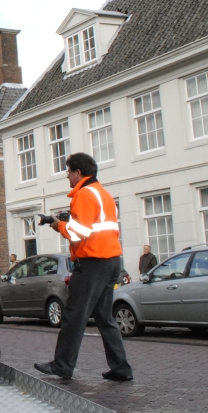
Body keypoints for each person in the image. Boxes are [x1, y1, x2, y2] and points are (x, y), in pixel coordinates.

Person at [34, 152, 132, 382]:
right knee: (105, 318)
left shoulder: (84, 195)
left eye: (68, 171)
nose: (67, 176)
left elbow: (81, 233)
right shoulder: (103, 194)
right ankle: (121, 368)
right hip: (111, 261)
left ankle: (63, 365)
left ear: (79, 172)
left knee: (74, 314)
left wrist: (59, 226)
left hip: (92, 263)